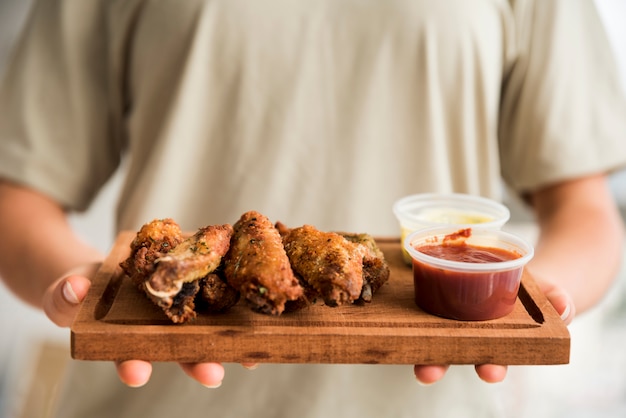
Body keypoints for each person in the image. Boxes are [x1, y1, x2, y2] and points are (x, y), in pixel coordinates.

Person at [1, 0, 625, 416]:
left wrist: (532, 294)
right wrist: (86, 287)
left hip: (442, 395)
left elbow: (584, 209)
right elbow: (18, 195)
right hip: (152, 393)